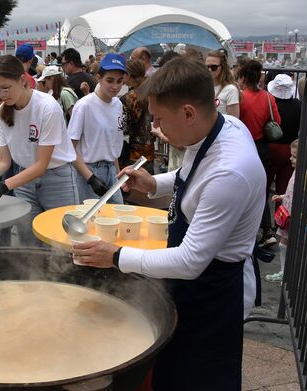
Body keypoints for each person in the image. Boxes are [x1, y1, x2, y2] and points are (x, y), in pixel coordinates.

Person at [72, 57, 265, 391]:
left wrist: (115, 256)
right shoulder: (217, 129)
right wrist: (154, 184)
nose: (155, 127)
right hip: (190, 281)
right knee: (172, 368)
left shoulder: (230, 172)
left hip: (212, 289)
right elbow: (190, 176)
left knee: (200, 377)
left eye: (160, 118)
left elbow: (190, 262)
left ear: (188, 112)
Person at [0, 55, 79, 244]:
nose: (2, 94)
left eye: (6, 88)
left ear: (23, 80)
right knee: (28, 241)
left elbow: (41, 165)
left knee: (62, 241)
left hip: (58, 180)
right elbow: (3, 161)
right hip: (24, 181)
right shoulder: (3, 112)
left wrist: (4, 185)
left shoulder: (47, 107)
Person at [67, 54, 125, 203]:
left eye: (120, 81)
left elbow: (113, 144)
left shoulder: (118, 105)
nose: (115, 86)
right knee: (93, 221)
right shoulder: (84, 106)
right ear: (99, 78)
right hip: (89, 170)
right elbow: (69, 148)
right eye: (110, 80)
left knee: (116, 216)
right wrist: (90, 178)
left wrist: (119, 177)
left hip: (111, 169)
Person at [238, 59, 281, 248]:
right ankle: (267, 230)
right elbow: (277, 120)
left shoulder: (240, 98)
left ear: (243, 77)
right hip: (262, 146)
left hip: (243, 145)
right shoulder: (268, 97)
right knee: (260, 190)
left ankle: (242, 230)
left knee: (241, 189)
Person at [266, 139, 298, 283]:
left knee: (293, 246)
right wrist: (283, 197)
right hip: (288, 214)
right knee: (283, 243)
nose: (290, 158)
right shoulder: (295, 171)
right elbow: (292, 192)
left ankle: (290, 275)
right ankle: (284, 272)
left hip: (296, 216)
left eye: (295, 156)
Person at [267, 74, 301, 202]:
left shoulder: (271, 104)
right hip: (290, 150)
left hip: (272, 148)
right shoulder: (298, 104)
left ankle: (263, 219)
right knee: (284, 190)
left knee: (264, 186)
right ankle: (281, 219)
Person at [120, 59, 155, 174]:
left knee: (133, 186)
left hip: (132, 153)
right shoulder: (152, 93)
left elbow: (123, 128)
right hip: (149, 150)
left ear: (129, 75)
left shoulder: (128, 98)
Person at [205, 50, 240, 117]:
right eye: (206, 67)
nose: (209, 70)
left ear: (222, 68)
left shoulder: (231, 89)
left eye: (213, 67)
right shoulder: (203, 86)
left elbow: (234, 119)